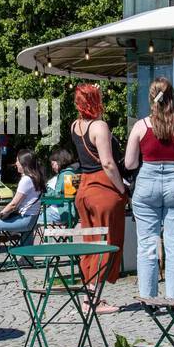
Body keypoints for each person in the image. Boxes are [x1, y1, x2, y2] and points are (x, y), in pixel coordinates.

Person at [124, 77, 174, 299]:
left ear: (151, 98)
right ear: (173, 96)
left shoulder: (140, 126)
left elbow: (130, 164)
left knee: (146, 245)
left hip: (147, 182)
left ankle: (149, 300)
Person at [71, 83, 127, 313]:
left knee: (91, 243)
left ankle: (88, 297)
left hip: (84, 189)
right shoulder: (100, 126)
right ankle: (93, 299)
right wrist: (122, 189)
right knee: (107, 244)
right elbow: (107, 163)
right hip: (102, 188)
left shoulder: (75, 125)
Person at [43, 147, 78, 226]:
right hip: (72, 212)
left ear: (59, 161)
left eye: (52, 164)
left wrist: (45, 193)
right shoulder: (73, 173)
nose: (52, 167)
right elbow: (70, 196)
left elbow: (58, 198)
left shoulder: (65, 175)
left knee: (34, 219)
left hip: (63, 212)